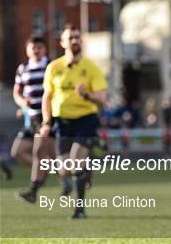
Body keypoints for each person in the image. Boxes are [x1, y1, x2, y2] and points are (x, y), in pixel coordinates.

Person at [39, 24, 107, 218]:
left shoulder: (91, 68)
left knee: (76, 161)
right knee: (63, 169)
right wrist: (46, 122)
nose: (75, 40)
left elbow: (102, 98)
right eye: (70, 38)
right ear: (63, 43)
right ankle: (89, 163)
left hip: (86, 119)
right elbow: (47, 97)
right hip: (62, 122)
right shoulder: (54, 67)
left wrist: (87, 95)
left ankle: (79, 209)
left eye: (77, 37)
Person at [13, 36, 60, 203]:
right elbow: (17, 92)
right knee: (18, 152)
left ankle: (34, 189)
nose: (36, 50)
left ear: (45, 49)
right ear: (27, 50)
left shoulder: (51, 66)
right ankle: (59, 176)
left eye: (39, 47)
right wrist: (22, 104)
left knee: (42, 153)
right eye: (33, 47)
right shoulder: (23, 68)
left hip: (46, 116)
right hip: (30, 117)